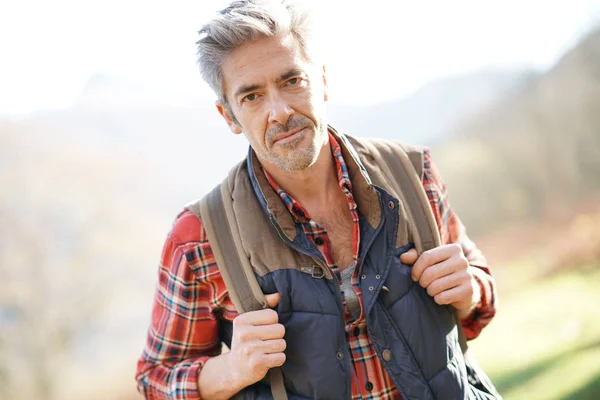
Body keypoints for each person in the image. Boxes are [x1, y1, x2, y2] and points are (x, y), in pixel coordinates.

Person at [135, 1, 499, 399]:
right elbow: (154, 378)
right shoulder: (197, 236)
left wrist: (471, 291)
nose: (280, 111)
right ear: (229, 117)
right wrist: (230, 369)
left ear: (322, 80)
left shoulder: (413, 172)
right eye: (252, 97)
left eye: (292, 80)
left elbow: (474, 294)